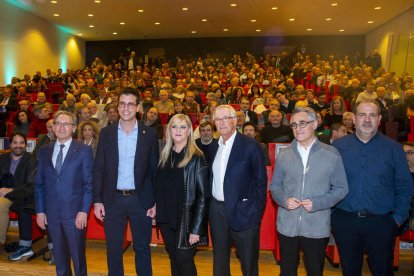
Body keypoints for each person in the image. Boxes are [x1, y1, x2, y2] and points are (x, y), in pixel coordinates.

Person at [332, 99, 414, 275]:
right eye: (362, 114)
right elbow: (327, 183)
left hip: (382, 222)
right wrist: (333, 215)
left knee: (382, 271)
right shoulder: (338, 147)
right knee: (350, 271)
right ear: (354, 118)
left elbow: (405, 186)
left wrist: (397, 219)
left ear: (379, 119)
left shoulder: (393, 148)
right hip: (345, 221)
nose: (367, 120)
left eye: (372, 115)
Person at [270, 107, 348, 276]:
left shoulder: (331, 153)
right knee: (287, 271)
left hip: (316, 225)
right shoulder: (284, 155)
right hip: (287, 225)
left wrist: (318, 203)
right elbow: (275, 186)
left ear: (314, 124)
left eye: (303, 123)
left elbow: (341, 189)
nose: (298, 128)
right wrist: (284, 200)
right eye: (294, 125)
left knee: (314, 270)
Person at [93, 88, 159, 276]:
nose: (126, 108)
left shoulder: (150, 134)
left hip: (141, 200)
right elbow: (99, 168)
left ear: (138, 107)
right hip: (113, 200)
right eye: (122, 103)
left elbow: (154, 170)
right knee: (113, 249)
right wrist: (97, 200)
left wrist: (155, 202)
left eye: (130, 104)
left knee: (142, 249)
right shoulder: (106, 133)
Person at [209, 105, 267, 276]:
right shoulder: (214, 145)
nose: (221, 122)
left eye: (225, 118)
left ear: (235, 120)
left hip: (244, 212)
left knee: (248, 264)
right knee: (220, 261)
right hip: (217, 211)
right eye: (217, 119)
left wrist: (255, 211)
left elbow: (260, 182)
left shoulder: (251, 145)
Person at [35, 111, 94, 276]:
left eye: (66, 124)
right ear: (53, 127)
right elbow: (39, 184)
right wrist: (40, 211)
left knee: (78, 258)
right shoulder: (44, 151)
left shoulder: (84, 151)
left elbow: (89, 184)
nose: (61, 127)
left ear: (73, 128)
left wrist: (83, 211)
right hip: (52, 214)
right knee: (60, 259)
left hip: (75, 215)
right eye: (58, 123)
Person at [156, 114, 209, 276]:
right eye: (174, 126)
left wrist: (196, 229)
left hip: (186, 221)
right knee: (174, 258)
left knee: (184, 261)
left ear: (189, 132)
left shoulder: (197, 158)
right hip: (166, 218)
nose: (178, 130)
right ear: (168, 130)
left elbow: (203, 197)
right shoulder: (164, 155)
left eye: (183, 127)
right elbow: (160, 188)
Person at [0, 132, 37, 258]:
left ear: (26, 145)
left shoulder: (31, 160)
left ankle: (1, 242)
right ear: (10, 144)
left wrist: (11, 190)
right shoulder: (2, 158)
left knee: (0, 205)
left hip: (21, 196)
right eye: (15, 142)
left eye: (21, 143)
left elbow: (30, 185)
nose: (18, 146)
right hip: (2, 192)